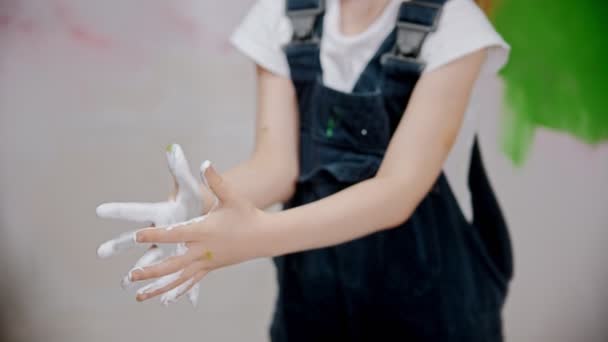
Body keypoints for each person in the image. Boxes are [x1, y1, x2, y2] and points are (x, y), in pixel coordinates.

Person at [98, 0, 514, 340]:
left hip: (436, 317)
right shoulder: (282, 15)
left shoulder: (454, 26)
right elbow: (277, 167)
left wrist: (255, 237)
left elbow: (397, 192)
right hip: (314, 311)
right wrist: (198, 208)